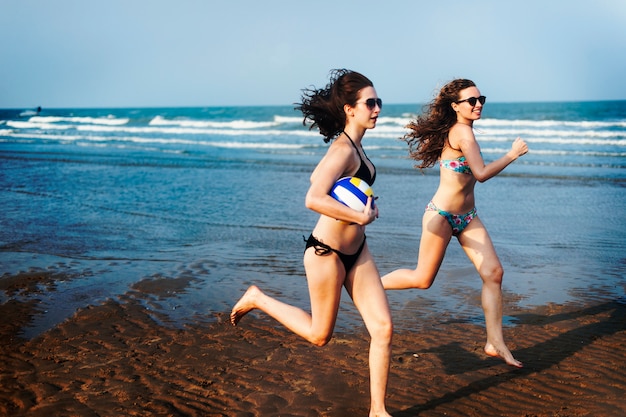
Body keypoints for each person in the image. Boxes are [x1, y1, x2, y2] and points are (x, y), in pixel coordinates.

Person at [231, 69, 394, 416]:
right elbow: (313, 196)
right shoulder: (344, 149)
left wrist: (367, 206)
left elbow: (333, 187)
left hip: (357, 251)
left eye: (379, 101)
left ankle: (378, 411)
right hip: (327, 253)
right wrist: (358, 217)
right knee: (321, 336)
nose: (377, 108)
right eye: (370, 103)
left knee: (383, 327)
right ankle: (257, 297)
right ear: (350, 109)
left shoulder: (358, 149)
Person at [382, 79, 528, 368]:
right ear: (455, 106)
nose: (478, 104)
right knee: (422, 280)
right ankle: (368, 284)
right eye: (470, 101)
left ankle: (495, 342)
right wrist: (512, 154)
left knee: (494, 273)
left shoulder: (461, 131)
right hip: (442, 216)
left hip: (468, 217)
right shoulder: (462, 133)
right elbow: (481, 173)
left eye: (480, 99)